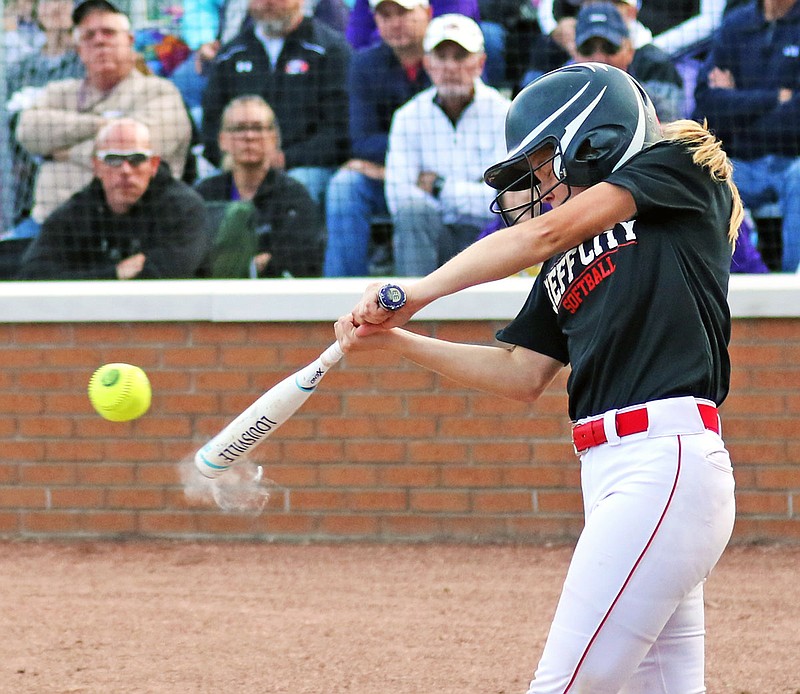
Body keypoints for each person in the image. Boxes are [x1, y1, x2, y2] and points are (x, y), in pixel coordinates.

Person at [335, 63, 741, 691]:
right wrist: (395, 339)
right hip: (614, 473)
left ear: (592, 139)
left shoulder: (678, 169)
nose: (536, 186)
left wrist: (417, 290)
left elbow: (541, 232)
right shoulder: (564, 260)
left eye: (544, 163)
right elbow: (521, 373)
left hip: (664, 462)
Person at [12, 0, 192, 240]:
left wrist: (60, 152)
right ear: (79, 50)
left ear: (129, 41)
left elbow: (139, 152)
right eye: (89, 36)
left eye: (109, 32)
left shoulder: (160, 92)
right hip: (46, 226)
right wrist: (101, 125)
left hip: (127, 230)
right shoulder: (59, 91)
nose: (99, 41)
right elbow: (27, 131)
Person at [384, 13, 510, 276]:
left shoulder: (505, 114)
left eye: (461, 56)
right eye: (442, 58)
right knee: (413, 213)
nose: (451, 67)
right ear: (428, 64)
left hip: (489, 237)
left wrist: (439, 187)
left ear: (480, 63)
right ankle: (409, 312)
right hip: (433, 235)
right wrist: (471, 193)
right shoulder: (408, 116)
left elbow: (504, 200)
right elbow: (398, 198)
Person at [17, 118, 210, 280]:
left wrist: (83, 276)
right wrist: (114, 273)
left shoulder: (184, 207)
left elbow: (168, 274)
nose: (125, 170)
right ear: (97, 166)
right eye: (113, 159)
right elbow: (32, 274)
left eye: (136, 159)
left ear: (153, 164)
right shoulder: (79, 210)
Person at [200, 0, 352, 204]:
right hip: (239, 166)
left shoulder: (329, 50)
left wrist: (284, 158)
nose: (268, 2)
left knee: (297, 186)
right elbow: (211, 129)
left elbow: (340, 131)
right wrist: (241, 157)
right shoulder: (230, 55)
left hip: (305, 167)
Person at [323, 0, 432, 277]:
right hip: (390, 179)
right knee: (344, 186)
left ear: (427, 13)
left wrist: (393, 164)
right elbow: (362, 141)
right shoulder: (364, 64)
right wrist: (402, 168)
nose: (395, 23)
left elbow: (453, 141)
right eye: (386, 15)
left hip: (440, 179)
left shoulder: (449, 58)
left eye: (404, 13)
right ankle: (340, 295)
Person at [693, 0, 800, 272]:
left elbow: (794, 120)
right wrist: (775, 98)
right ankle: (717, 285)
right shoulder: (736, 23)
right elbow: (707, 104)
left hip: (789, 161)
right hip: (734, 163)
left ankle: (792, 290)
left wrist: (735, 104)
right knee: (696, 176)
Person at [194, 95, 325, 278]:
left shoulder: (294, 196)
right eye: (239, 128)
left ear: (274, 137)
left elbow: (303, 262)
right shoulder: (204, 194)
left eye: (257, 128)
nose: (249, 136)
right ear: (222, 139)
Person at [3, 0, 85, 235]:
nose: (55, 7)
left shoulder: (84, 64)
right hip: (23, 183)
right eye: (47, 1)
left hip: (70, 176)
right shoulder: (20, 70)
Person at [573, 2, 684, 123]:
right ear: (575, 53)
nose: (599, 58)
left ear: (629, 50)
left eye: (609, 48)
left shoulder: (654, 99)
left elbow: (671, 128)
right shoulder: (561, 94)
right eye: (587, 49)